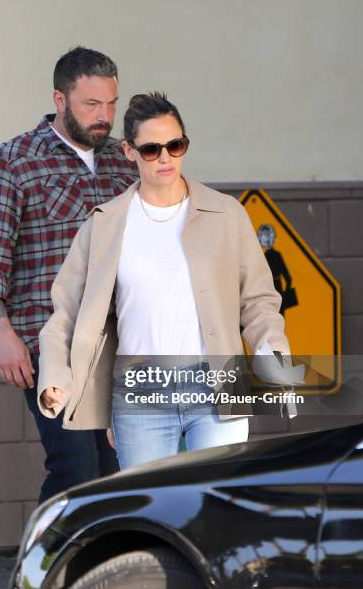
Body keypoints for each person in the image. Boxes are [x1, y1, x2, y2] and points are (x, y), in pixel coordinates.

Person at [37, 92, 292, 469]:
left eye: (176, 145)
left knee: (214, 506)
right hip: (140, 389)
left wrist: (272, 351)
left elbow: (258, 299)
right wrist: (56, 376)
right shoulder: (105, 224)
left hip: (217, 381)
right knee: (152, 512)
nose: (166, 158)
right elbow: (67, 311)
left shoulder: (225, 214)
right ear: (129, 151)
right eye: (152, 149)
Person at [0, 47, 139, 501]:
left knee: (117, 470)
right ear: (60, 100)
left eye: (111, 104)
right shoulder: (12, 162)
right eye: (91, 105)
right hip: (49, 343)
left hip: (118, 343)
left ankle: (98, 568)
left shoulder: (124, 163)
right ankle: (41, 568)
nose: (105, 116)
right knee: (75, 466)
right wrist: (2, 334)